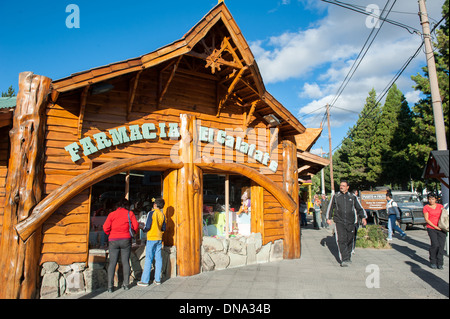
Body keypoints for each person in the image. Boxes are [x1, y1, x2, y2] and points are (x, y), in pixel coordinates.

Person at [326, 180, 367, 267]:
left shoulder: (352, 197)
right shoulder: (336, 196)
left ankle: (348, 256)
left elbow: (359, 208)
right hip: (339, 221)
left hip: (351, 222)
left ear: (347, 187)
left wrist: (363, 217)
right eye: (341, 185)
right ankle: (344, 259)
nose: (341, 187)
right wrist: (328, 218)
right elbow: (330, 207)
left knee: (349, 239)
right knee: (341, 239)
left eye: (343, 186)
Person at [102, 199, 139, 292]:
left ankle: (110, 287)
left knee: (112, 263)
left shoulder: (112, 214)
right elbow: (136, 226)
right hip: (126, 240)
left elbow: (105, 227)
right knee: (125, 261)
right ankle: (126, 284)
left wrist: (110, 233)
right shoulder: (129, 214)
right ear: (127, 206)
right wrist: (133, 233)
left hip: (113, 240)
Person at [138, 198, 166, 286]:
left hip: (151, 237)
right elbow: (163, 228)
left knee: (149, 258)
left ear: (155, 205)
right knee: (158, 258)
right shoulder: (162, 215)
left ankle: (145, 280)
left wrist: (143, 228)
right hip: (159, 238)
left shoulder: (151, 213)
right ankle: (157, 279)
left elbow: (148, 225)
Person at [423, 193, 446, 270]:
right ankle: (433, 261)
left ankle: (440, 263)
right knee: (435, 244)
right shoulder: (426, 207)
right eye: (429, 199)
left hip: (441, 228)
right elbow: (427, 219)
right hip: (431, 228)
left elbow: (444, 216)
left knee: (441, 246)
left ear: (436, 199)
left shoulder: (440, 206)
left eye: (432, 199)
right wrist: (435, 227)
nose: (431, 201)